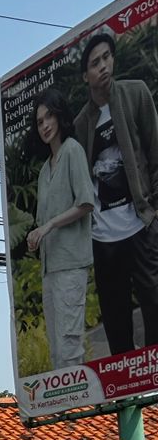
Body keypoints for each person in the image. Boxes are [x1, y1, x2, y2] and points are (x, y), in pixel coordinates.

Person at [74, 27, 158, 356]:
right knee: (115, 315)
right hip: (104, 236)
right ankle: (125, 393)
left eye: (107, 57)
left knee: (153, 301)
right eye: (95, 63)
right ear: (85, 75)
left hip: (141, 223)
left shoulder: (136, 93)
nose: (104, 66)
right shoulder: (82, 124)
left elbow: (154, 152)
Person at [27, 90, 95, 369]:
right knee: (56, 349)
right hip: (49, 268)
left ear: (60, 116)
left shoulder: (72, 150)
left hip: (70, 263)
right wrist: (36, 236)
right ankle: (66, 411)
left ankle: (80, 408)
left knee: (69, 344)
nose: (45, 125)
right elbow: (44, 221)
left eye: (49, 116)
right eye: (40, 120)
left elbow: (86, 202)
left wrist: (50, 225)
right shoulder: (44, 170)